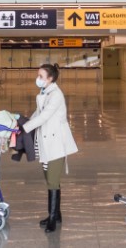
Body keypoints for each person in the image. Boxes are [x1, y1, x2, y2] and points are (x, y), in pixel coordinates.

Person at [21, 64, 78, 233]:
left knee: (52, 181)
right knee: (50, 179)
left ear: (50, 78)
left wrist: (26, 128)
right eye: (38, 75)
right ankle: (56, 214)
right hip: (45, 142)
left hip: (55, 143)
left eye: (41, 76)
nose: (37, 79)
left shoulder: (56, 95)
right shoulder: (45, 92)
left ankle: (53, 218)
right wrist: (23, 122)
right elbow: (38, 113)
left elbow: (45, 116)